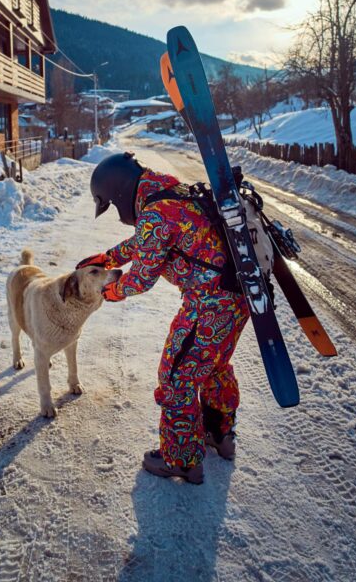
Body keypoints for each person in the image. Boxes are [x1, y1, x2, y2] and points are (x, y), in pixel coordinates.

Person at [77, 152, 250, 485]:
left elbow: (141, 278)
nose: (117, 213)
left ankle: (183, 461)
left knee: (175, 378)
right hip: (235, 300)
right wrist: (110, 256)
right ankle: (220, 434)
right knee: (212, 366)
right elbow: (149, 239)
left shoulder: (155, 212)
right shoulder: (168, 192)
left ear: (118, 192)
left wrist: (109, 292)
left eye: (112, 205)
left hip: (208, 307)